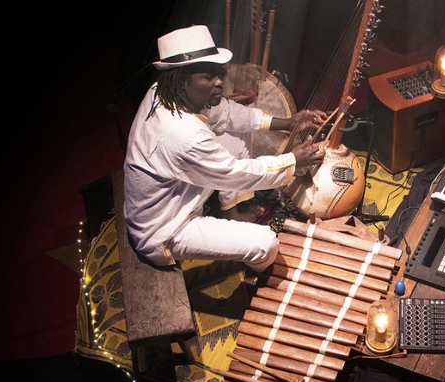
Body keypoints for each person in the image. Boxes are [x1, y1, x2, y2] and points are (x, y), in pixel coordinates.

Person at [123, 25, 327, 272]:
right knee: (266, 243)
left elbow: (228, 113)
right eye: (208, 77)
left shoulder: (162, 92)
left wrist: (289, 122)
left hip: (174, 194)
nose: (220, 82)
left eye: (219, 74)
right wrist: (292, 161)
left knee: (238, 133)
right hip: (165, 227)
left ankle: (232, 216)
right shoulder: (182, 134)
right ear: (181, 81)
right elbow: (237, 174)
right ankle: (260, 276)